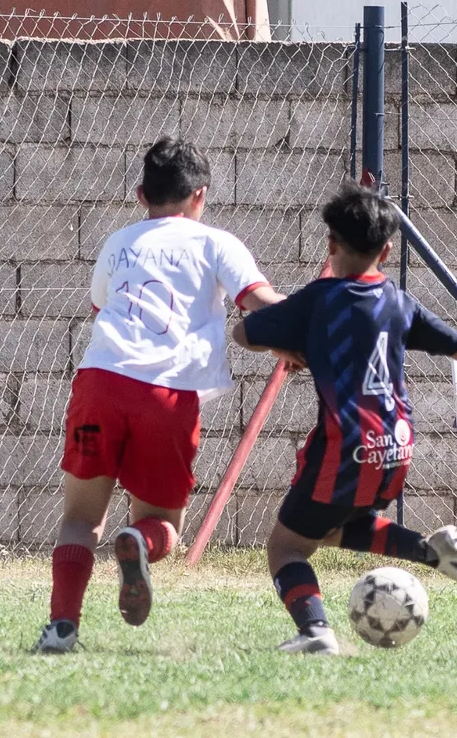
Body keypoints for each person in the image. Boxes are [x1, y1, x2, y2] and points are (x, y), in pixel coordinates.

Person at [231, 183, 457, 656]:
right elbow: (455, 341)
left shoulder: (319, 300)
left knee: (286, 547)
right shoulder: (397, 301)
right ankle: (430, 551)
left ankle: (315, 632)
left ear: (330, 245)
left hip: (345, 445)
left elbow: (244, 333)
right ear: (387, 251)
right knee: (328, 528)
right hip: (397, 445)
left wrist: (286, 344)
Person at [34, 136, 285, 653]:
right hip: (167, 397)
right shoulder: (216, 243)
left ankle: (61, 629)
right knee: (163, 526)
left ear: (140, 195)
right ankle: (139, 543)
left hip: (100, 382)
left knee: (80, 518)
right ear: (200, 194)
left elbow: (101, 306)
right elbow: (259, 301)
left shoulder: (119, 242)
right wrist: (308, 328)